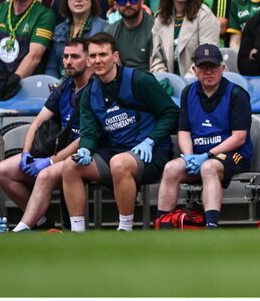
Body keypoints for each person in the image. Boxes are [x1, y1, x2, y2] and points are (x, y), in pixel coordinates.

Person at [64, 33, 178, 232]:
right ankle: (77, 231)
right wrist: (85, 150)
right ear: (88, 60)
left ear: (115, 56)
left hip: (152, 152)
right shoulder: (90, 93)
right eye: (93, 56)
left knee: (119, 163)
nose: (98, 60)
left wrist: (151, 140)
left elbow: (171, 113)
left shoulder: (140, 80)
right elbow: (89, 133)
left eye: (103, 54)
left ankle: (124, 229)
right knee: (70, 166)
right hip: (116, 151)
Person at [0, 38, 91, 232]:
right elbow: (37, 123)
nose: (68, 61)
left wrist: (50, 161)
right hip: (56, 151)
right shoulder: (65, 87)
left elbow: (86, 136)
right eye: (65, 57)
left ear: (88, 60)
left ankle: (22, 228)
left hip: (85, 154)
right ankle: (41, 224)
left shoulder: (95, 89)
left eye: (74, 56)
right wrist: (26, 153)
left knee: (45, 174)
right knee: (2, 171)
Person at [155, 43, 252, 230]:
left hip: (234, 154)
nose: (208, 72)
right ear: (194, 70)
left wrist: (206, 155)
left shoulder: (237, 94)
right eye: (203, 67)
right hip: (198, 153)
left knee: (209, 167)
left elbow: (239, 137)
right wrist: (189, 155)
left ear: (222, 68)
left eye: (213, 67)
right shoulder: (187, 92)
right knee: (170, 168)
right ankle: (162, 226)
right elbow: (184, 130)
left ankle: (211, 227)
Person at [149, 0, 220, 76]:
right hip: (170, 83)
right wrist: (164, 79)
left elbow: (207, 57)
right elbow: (157, 60)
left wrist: (182, 84)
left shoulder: (205, 15)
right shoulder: (161, 17)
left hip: (200, 80)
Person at [105, 0, 154, 69]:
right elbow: (115, 68)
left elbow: (155, 66)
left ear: (141, 1)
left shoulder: (154, 27)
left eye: (132, 0)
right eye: (122, 1)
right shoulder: (111, 31)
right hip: (125, 78)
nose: (128, 4)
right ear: (116, 6)